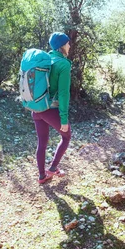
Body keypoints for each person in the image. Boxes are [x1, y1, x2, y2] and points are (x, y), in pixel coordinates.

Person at [32, 32, 72, 184]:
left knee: (42, 142)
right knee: (66, 136)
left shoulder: (45, 60)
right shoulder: (63, 64)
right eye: (67, 43)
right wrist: (63, 118)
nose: (69, 45)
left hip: (36, 108)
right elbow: (63, 94)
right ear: (62, 46)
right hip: (50, 110)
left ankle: (42, 176)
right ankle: (53, 168)